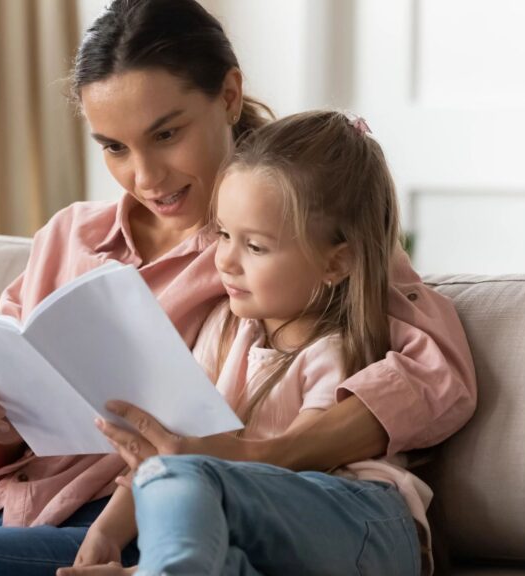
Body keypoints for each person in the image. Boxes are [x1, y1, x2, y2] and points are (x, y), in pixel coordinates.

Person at [0, 1, 474, 574]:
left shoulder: (286, 236)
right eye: (114, 148)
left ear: (228, 95)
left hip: (120, 524)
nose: (145, 177)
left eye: (166, 134)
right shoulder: (69, 238)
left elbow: (431, 368)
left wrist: (254, 455)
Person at [60, 110, 436, 576]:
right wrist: (108, 533)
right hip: (258, 530)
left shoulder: (336, 348)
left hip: (344, 513)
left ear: (336, 263)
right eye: (222, 234)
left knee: (188, 476)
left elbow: (291, 467)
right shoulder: (222, 330)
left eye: (254, 246)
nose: (225, 260)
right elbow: (170, 453)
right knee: (178, 483)